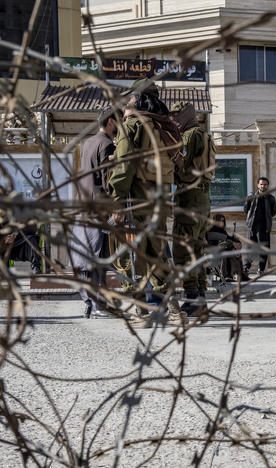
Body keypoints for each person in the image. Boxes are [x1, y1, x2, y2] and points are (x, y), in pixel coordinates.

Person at [107, 78, 182, 328]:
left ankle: (141, 314)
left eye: (129, 98)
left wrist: (117, 203)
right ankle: (174, 312)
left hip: (135, 199)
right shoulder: (164, 126)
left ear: (137, 99)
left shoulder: (132, 125)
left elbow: (124, 166)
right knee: (157, 254)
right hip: (159, 199)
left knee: (131, 257)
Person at [71, 106, 120, 319]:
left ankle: (89, 302)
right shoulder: (107, 145)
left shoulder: (88, 143)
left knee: (85, 257)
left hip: (83, 207)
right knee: (98, 258)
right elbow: (106, 180)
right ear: (110, 122)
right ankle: (98, 304)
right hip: (98, 209)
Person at [170, 101, 215, 318]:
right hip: (202, 197)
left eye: (177, 116)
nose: (174, 120)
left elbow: (182, 165)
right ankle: (200, 299)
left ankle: (192, 299)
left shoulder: (190, 136)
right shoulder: (204, 135)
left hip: (190, 197)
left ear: (188, 115)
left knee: (184, 249)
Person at [244, 177, 276, 275]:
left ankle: (261, 269)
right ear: (258, 185)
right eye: (261, 184)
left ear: (268, 186)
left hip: (264, 227)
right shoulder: (251, 196)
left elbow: (273, 212)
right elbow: (246, 209)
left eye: (265, 184)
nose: (263, 186)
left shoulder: (271, 198)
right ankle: (246, 268)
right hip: (252, 226)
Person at [206, 213, 250, 282]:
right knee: (225, 250)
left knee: (234, 251)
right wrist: (232, 242)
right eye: (219, 221)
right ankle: (225, 275)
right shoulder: (211, 230)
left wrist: (237, 242)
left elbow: (229, 238)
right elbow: (219, 237)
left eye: (223, 221)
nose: (221, 223)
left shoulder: (223, 231)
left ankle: (240, 274)